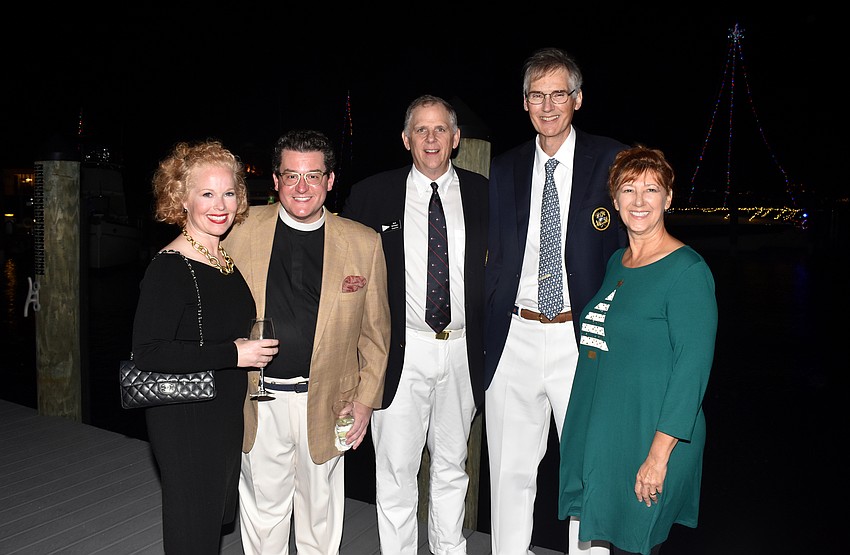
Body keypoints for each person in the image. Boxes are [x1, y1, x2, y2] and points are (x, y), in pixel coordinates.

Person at [483, 46, 628, 554]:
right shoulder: (504, 169)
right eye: (537, 96)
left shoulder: (611, 161)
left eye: (558, 94)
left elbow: (632, 250)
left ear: (578, 99)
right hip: (514, 336)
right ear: (524, 103)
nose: (548, 106)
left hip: (581, 340)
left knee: (587, 474)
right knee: (508, 475)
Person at [222, 129, 390, 555]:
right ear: (275, 180)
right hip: (258, 400)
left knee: (322, 518)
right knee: (263, 516)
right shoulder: (238, 232)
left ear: (330, 181)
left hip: (330, 403)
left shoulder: (364, 243)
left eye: (313, 176)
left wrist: (366, 401)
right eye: (291, 176)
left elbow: (376, 334)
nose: (302, 187)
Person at [342, 94, 489, 555]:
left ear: (456, 138)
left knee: (453, 467)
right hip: (400, 353)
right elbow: (346, 280)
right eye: (421, 130)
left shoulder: (485, 194)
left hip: (463, 351)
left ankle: (450, 549)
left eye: (440, 129)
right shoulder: (371, 194)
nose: (431, 138)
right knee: (395, 471)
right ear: (406, 139)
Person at [558, 145, 718, 555]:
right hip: (612, 431)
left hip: (654, 436)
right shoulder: (617, 261)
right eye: (629, 190)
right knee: (614, 541)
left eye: (652, 189)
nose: (640, 201)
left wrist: (658, 457)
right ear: (614, 200)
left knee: (637, 544)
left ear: (668, 198)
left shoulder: (688, 271)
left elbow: (692, 371)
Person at [131, 140, 279, 554]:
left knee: (207, 526)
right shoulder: (170, 267)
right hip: (186, 420)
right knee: (191, 530)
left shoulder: (221, 260)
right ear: (182, 198)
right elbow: (149, 353)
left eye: (229, 192)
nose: (221, 204)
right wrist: (235, 355)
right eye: (207, 193)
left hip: (219, 415)